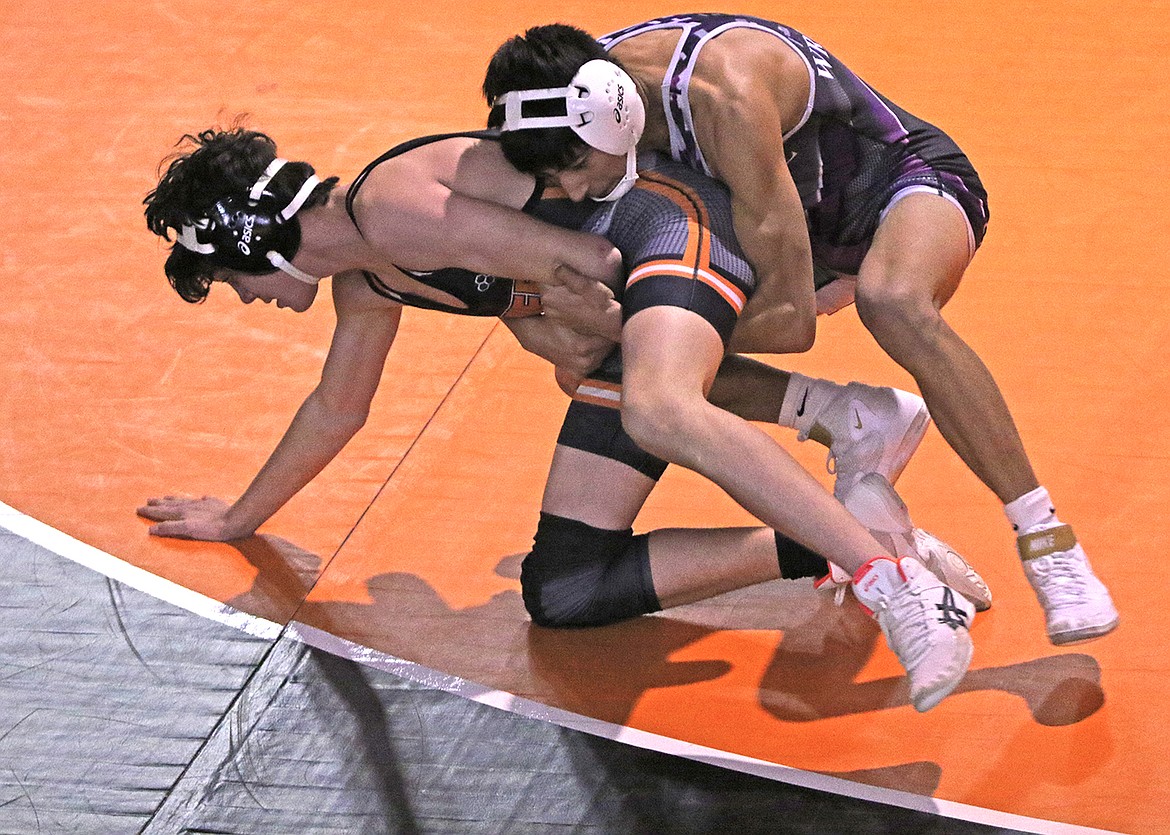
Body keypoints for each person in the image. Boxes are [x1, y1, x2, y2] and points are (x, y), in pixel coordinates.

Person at [140, 124, 980, 711]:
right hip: (639, 261)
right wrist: (240, 517)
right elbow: (337, 409)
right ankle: (849, 527)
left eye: (229, 281)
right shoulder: (369, 277)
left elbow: (593, 259)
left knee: (652, 398)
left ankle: (885, 572)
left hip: (666, 223)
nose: (247, 299)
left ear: (251, 241)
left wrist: (794, 281)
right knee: (566, 588)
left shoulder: (387, 209)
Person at [482, 17, 1117, 646]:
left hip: (900, 189)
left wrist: (651, 331)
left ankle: (1046, 539)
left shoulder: (723, 95)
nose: (564, 188)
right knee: (606, 362)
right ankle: (850, 425)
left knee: (890, 299)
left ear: (612, 116)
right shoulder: (578, 90)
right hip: (789, 220)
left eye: (570, 165)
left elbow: (791, 319)